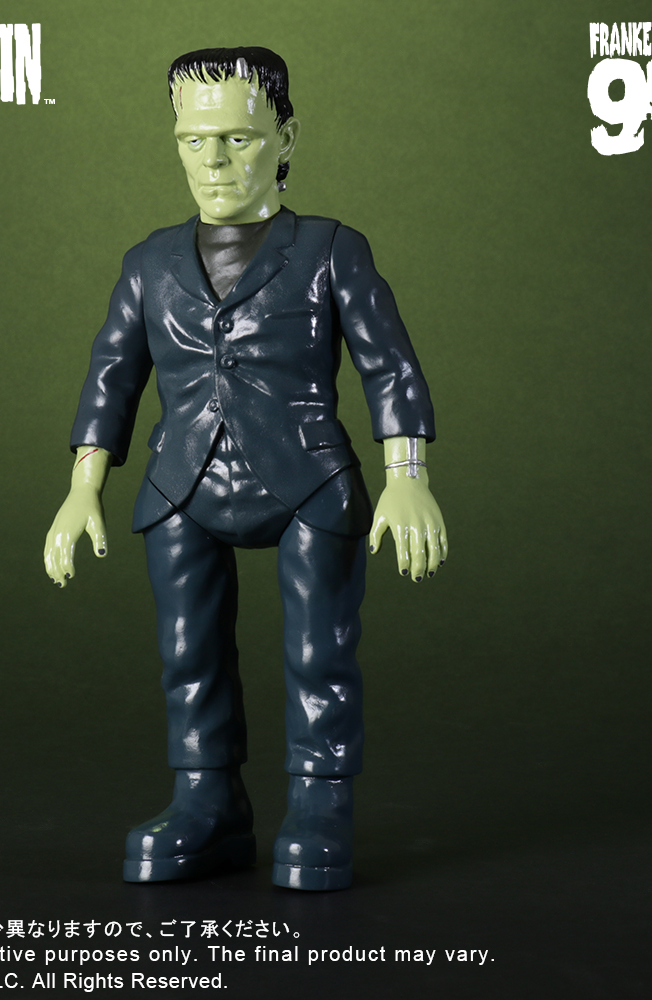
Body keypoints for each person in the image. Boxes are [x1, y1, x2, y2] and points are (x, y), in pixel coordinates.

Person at [43, 47, 447, 891]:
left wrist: (407, 473)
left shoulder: (331, 249)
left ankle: (320, 802)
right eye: (194, 141)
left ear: (285, 138)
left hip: (308, 481)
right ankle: (207, 802)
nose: (214, 161)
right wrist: (83, 486)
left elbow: (389, 364)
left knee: (319, 650)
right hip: (181, 482)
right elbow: (113, 374)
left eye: (238, 138)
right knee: (188, 652)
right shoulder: (149, 262)